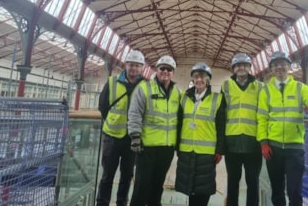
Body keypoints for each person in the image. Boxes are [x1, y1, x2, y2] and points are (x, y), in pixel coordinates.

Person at [257, 51, 308, 206]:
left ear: (289, 66)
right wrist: (263, 142)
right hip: (273, 148)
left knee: (295, 190)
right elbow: (261, 118)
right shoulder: (265, 91)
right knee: (277, 189)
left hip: (294, 148)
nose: (279, 67)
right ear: (271, 69)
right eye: (275, 65)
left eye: (283, 64)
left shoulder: (300, 88)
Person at [127, 55, 181, 206]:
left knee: (158, 186)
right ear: (156, 70)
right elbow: (134, 113)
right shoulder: (145, 88)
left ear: (173, 72)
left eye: (169, 69)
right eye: (162, 68)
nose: (165, 71)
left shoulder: (177, 92)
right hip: (147, 147)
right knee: (142, 186)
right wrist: (135, 137)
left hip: (167, 148)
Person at [96, 50, 145, 206]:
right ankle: (102, 203)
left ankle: (121, 203)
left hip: (132, 139)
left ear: (142, 68)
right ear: (126, 65)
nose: (134, 69)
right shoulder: (112, 82)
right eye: (131, 65)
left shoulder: (146, 86)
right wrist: (112, 121)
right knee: (107, 176)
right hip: (112, 137)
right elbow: (103, 106)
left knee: (127, 176)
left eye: (137, 66)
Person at [175, 62, 226, 206]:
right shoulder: (184, 98)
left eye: (202, 77)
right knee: (189, 189)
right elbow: (179, 124)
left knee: (203, 191)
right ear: (192, 80)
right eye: (196, 77)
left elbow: (221, 128)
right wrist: (177, 147)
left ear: (208, 80)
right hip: (186, 151)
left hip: (206, 153)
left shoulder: (217, 99)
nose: (199, 80)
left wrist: (220, 150)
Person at [221, 53, 263, 206]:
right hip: (231, 141)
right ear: (233, 69)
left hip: (254, 142)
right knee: (233, 180)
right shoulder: (226, 86)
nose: (241, 68)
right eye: (238, 65)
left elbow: (264, 113)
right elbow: (221, 114)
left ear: (250, 68)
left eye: (245, 65)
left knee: (253, 181)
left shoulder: (259, 86)